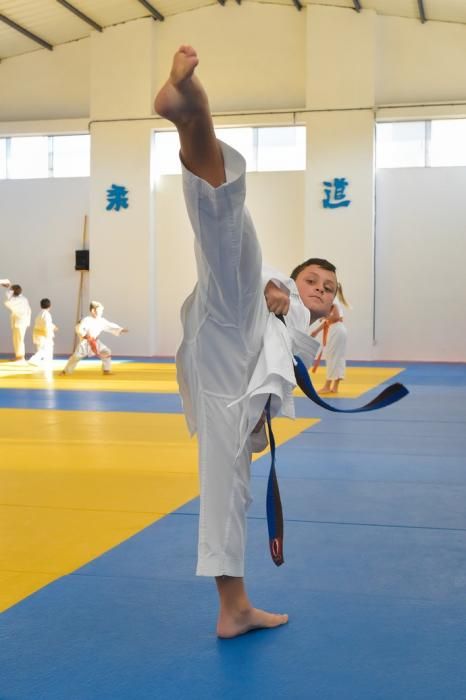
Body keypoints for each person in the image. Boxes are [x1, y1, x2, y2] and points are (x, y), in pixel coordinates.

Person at [154, 46, 338, 639]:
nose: (317, 288)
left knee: (227, 488)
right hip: (232, 325)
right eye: (311, 278)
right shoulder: (276, 290)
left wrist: (290, 315)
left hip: (228, 380)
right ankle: (191, 114)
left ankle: (233, 607)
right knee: (231, 232)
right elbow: (271, 281)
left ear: (334, 303)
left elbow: (281, 379)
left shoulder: (309, 333)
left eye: (328, 287)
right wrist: (279, 288)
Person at [60, 301, 128, 375]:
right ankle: (65, 371)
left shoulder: (101, 320)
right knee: (76, 357)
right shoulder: (86, 320)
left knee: (106, 351)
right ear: (93, 311)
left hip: (95, 341)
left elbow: (110, 326)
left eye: (102, 311)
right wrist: (86, 336)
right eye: (100, 310)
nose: (101, 312)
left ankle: (106, 370)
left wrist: (120, 329)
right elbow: (79, 329)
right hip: (86, 342)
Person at [311, 282, 350, 394]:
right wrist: (316, 331)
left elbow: (335, 317)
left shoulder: (333, 300)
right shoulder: (334, 300)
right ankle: (335, 387)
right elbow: (330, 320)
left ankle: (328, 386)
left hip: (336, 330)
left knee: (332, 356)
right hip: (338, 329)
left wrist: (324, 316)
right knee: (336, 357)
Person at [3, 283, 31, 362]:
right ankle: (19, 356)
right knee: (17, 340)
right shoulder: (23, 298)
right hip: (21, 322)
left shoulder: (18, 299)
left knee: (19, 340)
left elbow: (7, 302)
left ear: (13, 292)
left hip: (20, 322)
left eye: (11, 291)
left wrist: (9, 289)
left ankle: (20, 357)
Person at [28, 298, 57, 368]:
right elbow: (47, 325)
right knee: (45, 349)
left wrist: (53, 327)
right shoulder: (47, 314)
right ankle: (33, 360)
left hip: (38, 334)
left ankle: (44, 362)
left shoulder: (40, 314)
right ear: (50, 306)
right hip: (43, 335)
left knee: (42, 349)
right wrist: (49, 334)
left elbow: (46, 324)